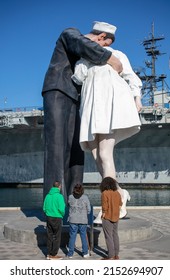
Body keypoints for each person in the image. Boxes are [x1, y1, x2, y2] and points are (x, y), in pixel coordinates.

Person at [42, 21, 123, 202]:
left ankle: (74, 202)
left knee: (76, 151)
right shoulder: (70, 32)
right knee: (56, 148)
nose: (104, 48)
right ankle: (54, 208)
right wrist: (112, 59)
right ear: (101, 37)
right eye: (105, 44)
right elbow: (82, 44)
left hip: (77, 98)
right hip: (57, 91)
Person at [71, 29, 142, 216]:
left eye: (100, 38)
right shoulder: (85, 59)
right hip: (91, 107)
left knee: (104, 152)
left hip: (109, 106)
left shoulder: (117, 55)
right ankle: (119, 193)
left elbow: (130, 75)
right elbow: (78, 77)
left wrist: (137, 98)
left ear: (107, 41)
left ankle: (111, 206)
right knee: (96, 156)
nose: (95, 40)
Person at [100, 177, 122, 260]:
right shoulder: (117, 193)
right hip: (116, 217)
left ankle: (110, 255)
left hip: (107, 217)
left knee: (108, 236)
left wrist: (103, 214)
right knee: (115, 235)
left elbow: (104, 206)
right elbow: (120, 204)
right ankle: (116, 254)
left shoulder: (104, 193)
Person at [67, 184, 91, 258]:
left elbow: (68, 206)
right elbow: (89, 209)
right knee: (83, 235)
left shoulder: (70, 197)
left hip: (73, 219)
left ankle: (70, 253)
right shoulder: (85, 197)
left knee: (72, 236)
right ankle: (85, 253)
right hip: (83, 219)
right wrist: (85, 213)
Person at [43, 181, 66, 260]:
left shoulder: (47, 196)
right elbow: (61, 209)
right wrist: (62, 215)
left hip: (49, 217)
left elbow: (44, 208)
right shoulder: (59, 196)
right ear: (59, 186)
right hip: (57, 217)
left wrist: (48, 213)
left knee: (49, 235)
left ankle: (49, 254)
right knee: (57, 236)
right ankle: (54, 254)